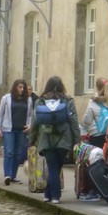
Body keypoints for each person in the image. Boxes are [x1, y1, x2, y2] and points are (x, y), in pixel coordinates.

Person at [28, 76, 79, 204]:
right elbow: (74, 122)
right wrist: (76, 140)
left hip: (46, 139)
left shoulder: (40, 101)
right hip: (64, 138)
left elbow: (34, 123)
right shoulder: (68, 101)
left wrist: (32, 140)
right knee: (56, 167)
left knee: (53, 168)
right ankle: (52, 195)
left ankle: (51, 195)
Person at [0, 78, 32, 185]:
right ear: (15, 88)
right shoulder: (6, 98)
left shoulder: (28, 100)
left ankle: (13, 176)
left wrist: (30, 125)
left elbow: (30, 115)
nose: (22, 89)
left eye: (23, 87)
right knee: (9, 152)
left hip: (21, 130)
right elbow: (0, 114)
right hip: (8, 129)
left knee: (18, 154)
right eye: (20, 87)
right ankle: (7, 175)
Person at [81, 78, 108, 146]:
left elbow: (87, 121)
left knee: (98, 156)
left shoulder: (93, 102)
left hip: (97, 135)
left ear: (98, 88)